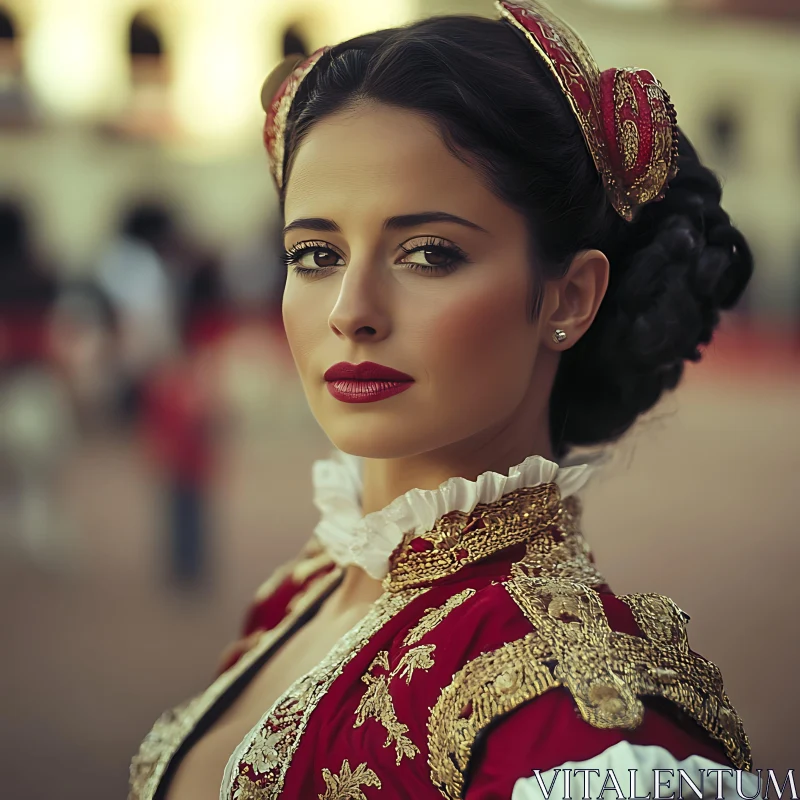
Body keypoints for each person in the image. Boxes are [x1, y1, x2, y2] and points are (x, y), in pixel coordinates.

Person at [128, 2, 758, 798]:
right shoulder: (303, 588)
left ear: (569, 297)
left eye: (428, 253)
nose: (350, 309)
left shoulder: (584, 734)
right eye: (314, 253)